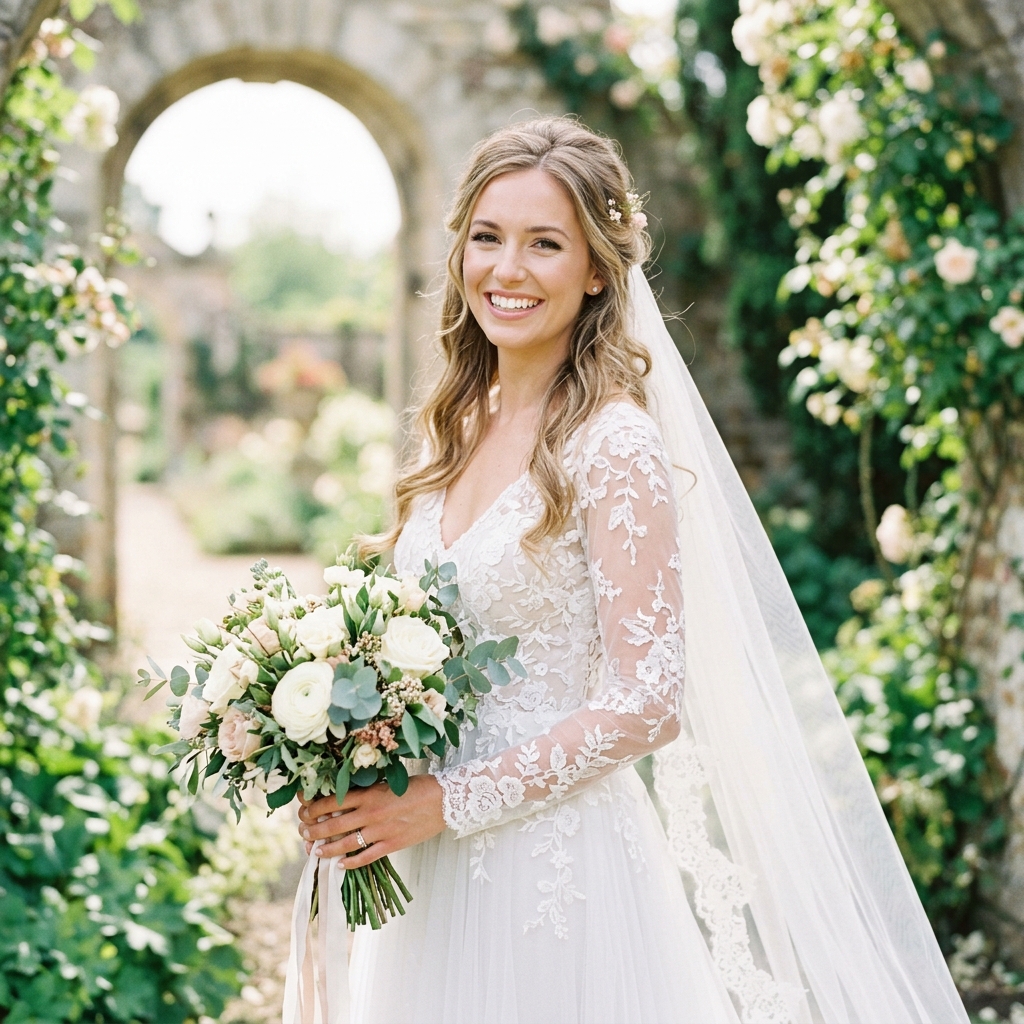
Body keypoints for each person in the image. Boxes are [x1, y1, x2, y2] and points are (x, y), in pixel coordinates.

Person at [293, 117, 968, 1024]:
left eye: (545, 244)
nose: (507, 270)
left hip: (548, 875)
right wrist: (344, 757)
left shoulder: (614, 445)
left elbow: (648, 699)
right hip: (426, 867)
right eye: (487, 238)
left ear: (598, 270)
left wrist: (449, 801)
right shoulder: (454, 425)